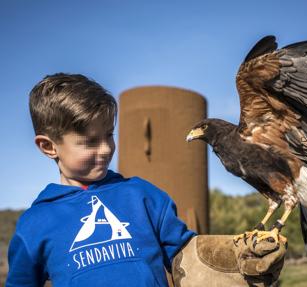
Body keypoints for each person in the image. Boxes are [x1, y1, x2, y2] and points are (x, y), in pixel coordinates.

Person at [6, 73, 285, 287]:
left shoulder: (142, 195)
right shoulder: (35, 223)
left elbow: (185, 258)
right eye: (89, 142)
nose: (105, 149)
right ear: (48, 146)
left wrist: (234, 259)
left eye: (109, 135)